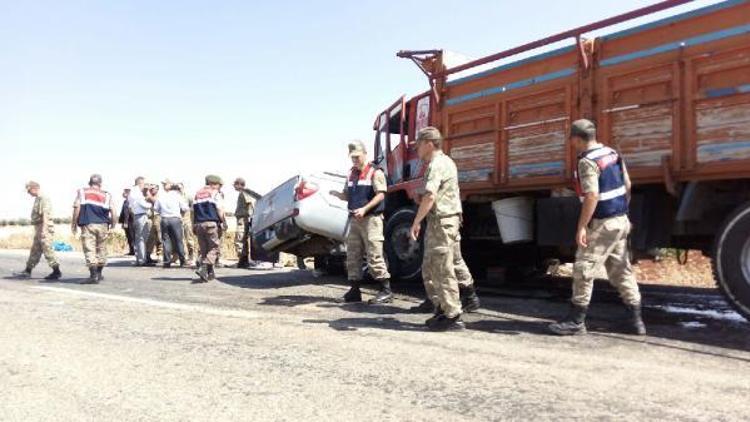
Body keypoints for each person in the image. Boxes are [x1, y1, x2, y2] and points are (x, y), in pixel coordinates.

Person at [548, 119, 646, 336]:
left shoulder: (587, 162)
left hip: (603, 223)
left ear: (576, 138)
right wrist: (623, 214)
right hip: (620, 221)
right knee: (621, 270)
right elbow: (627, 185)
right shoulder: (612, 154)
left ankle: (576, 321)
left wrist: (582, 227)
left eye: (571, 139)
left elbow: (592, 195)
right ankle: (636, 320)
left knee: (584, 268)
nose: (571, 143)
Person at [409, 127, 474, 331]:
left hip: (442, 222)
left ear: (429, 143)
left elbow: (430, 196)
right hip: (443, 221)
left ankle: (453, 315)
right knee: (432, 265)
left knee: (442, 268)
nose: (416, 149)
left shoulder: (437, 164)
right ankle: (442, 308)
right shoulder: (444, 162)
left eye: (418, 144)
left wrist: (416, 221)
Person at [331, 140, 392, 304]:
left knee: (374, 254)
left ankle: (386, 290)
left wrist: (365, 209)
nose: (355, 160)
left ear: (365, 154)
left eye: (357, 156)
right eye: (352, 157)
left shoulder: (375, 172)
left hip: (371, 219)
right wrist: (338, 194)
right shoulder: (351, 173)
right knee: (353, 254)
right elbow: (348, 195)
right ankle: (354, 291)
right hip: (355, 220)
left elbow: (381, 194)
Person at [72, 174, 115, 284]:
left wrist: (74, 224)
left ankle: (93, 276)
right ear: (100, 184)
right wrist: (113, 225)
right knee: (102, 248)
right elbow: (113, 211)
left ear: (89, 183)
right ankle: (99, 273)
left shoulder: (82, 192)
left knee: (89, 248)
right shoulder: (107, 195)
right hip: (104, 225)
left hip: (88, 224)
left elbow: (77, 207)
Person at [13, 181, 62, 280]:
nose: (28, 193)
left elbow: (45, 215)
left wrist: (44, 230)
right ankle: (28, 270)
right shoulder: (38, 199)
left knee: (47, 249)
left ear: (34, 188)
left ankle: (56, 271)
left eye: (29, 190)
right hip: (39, 227)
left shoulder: (43, 198)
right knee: (35, 250)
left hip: (44, 227)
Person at [192, 175, 227, 283]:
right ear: (213, 184)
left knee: (204, 250)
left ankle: (209, 273)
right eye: (219, 185)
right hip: (210, 224)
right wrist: (224, 222)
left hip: (198, 224)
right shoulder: (214, 193)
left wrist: (193, 224)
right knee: (214, 248)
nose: (220, 188)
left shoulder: (197, 194)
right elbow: (219, 209)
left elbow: (193, 211)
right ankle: (204, 267)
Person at [155, 179, 189, 268]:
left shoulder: (161, 196)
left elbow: (156, 209)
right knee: (179, 241)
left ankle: (167, 261)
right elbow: (185, 208)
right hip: (175, 219)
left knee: (166, 241)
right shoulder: (178, 196)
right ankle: (182, 260)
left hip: (164, 219)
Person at [128, 177, 154, 266]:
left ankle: (141, 258)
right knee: (142, 239)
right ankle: (142, 259)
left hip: (138, 215)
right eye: (144, 183)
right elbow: (143, 204)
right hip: (141, 215)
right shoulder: (136, 192)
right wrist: (151, 204)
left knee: (139, 238)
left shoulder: (132, 192)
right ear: (140, 183)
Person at [233, 177, 257, 268]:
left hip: (243, 219)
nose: (234, 186)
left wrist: (251, 217)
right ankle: (243, 260)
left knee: (240, 238)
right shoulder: (243, 193)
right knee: (242, 239)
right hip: (242, 218)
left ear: (239, 184)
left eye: (235, 184)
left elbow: (250, 205)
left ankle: (243, 260)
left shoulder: (244, 192)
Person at [176, 183, 197, 266]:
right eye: (177, 188)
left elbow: (193, 208)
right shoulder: (174, 197)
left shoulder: (188, 196)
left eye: (180, 187)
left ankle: (192, 256)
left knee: (190, 239)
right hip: (178, 220)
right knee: (180, 240)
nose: (178, 189)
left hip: (187, 220)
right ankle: (182, 257)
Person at [145, 184, 162, 263]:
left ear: (157, 189)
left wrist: (147, 192)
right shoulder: (149, 196)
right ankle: (148, 255)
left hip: (158, 217)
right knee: (150, 238)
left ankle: (160, 254)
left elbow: (153, 201)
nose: (151, 190)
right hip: (151, 218)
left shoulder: (159, 196)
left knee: (159, 237)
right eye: (150, 189)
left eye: (153, 188)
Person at [119, 188, 135, 255]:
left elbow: (127, 212)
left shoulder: (129, 201)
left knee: (131, 236)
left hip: (130, 222)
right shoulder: (126, 201)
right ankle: (132, 250)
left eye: (125, 192)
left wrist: (125, 222)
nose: (123, 193)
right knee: (129, 236)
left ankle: (133, 250)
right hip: (128, 222)